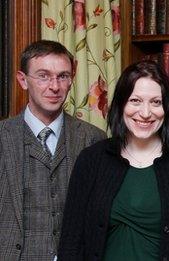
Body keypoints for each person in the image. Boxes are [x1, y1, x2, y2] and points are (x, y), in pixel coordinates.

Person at [58, 60, 169, 260]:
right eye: (135, 101)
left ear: (166, 108)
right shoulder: (90, 161)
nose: (146, 113)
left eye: (155, 102)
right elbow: (70, 244)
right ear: (121, 104)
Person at [0, 40, 106, 260]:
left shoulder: (94, 138)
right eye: (43, 76)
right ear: (23, 80)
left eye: (63, 76)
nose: (55, 86)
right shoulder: (2, 136)